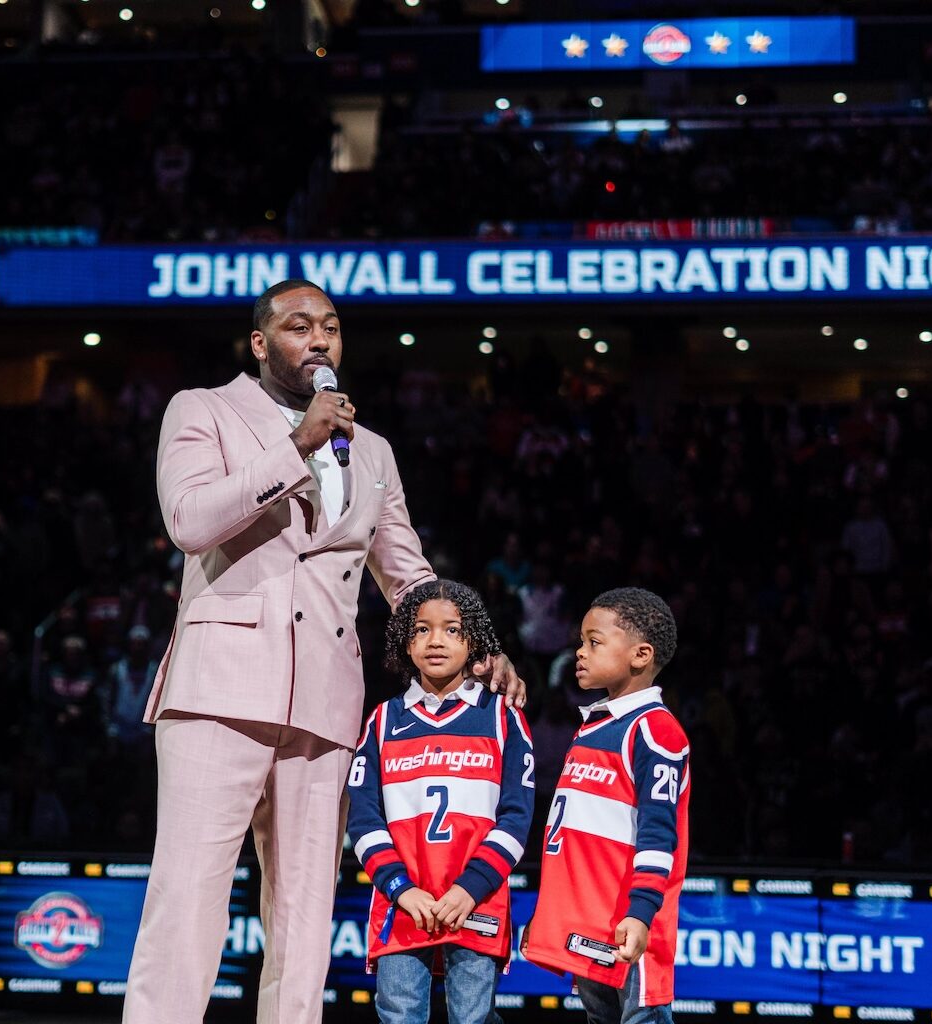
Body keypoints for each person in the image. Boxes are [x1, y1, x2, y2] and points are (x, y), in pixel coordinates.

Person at [123, 279, 525, 1024]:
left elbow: (409, 578)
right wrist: (294, 443)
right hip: (218, 691)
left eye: (331, 328)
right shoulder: (202, 409)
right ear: (259, 342)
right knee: (187, 902)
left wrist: (479, 644)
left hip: (326, 703)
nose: (319, 339)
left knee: (305, 917)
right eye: (298, 325)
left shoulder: (372, 450)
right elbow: (189, 520)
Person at [347, 579, 535, 1024]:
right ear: (404, 642)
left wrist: (470, 888)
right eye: (421, 630)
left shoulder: (502, 717)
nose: (435, 640)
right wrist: (401, 888)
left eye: (452, 629)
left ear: (475, 642)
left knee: (473, 1018)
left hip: (476, 901)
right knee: (399, 1016)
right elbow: (364, 820)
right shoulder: (382, 720)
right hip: (403, 901)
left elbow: (516, 818)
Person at [521, 588, 689, 1024]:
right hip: (589, 921)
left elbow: (658, 834)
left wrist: (640, 912)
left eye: (594, 642)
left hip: (629, 924)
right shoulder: (592, 727)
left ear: (640, 655)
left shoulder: (655, 731)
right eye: (581, 641)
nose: (579, 652)